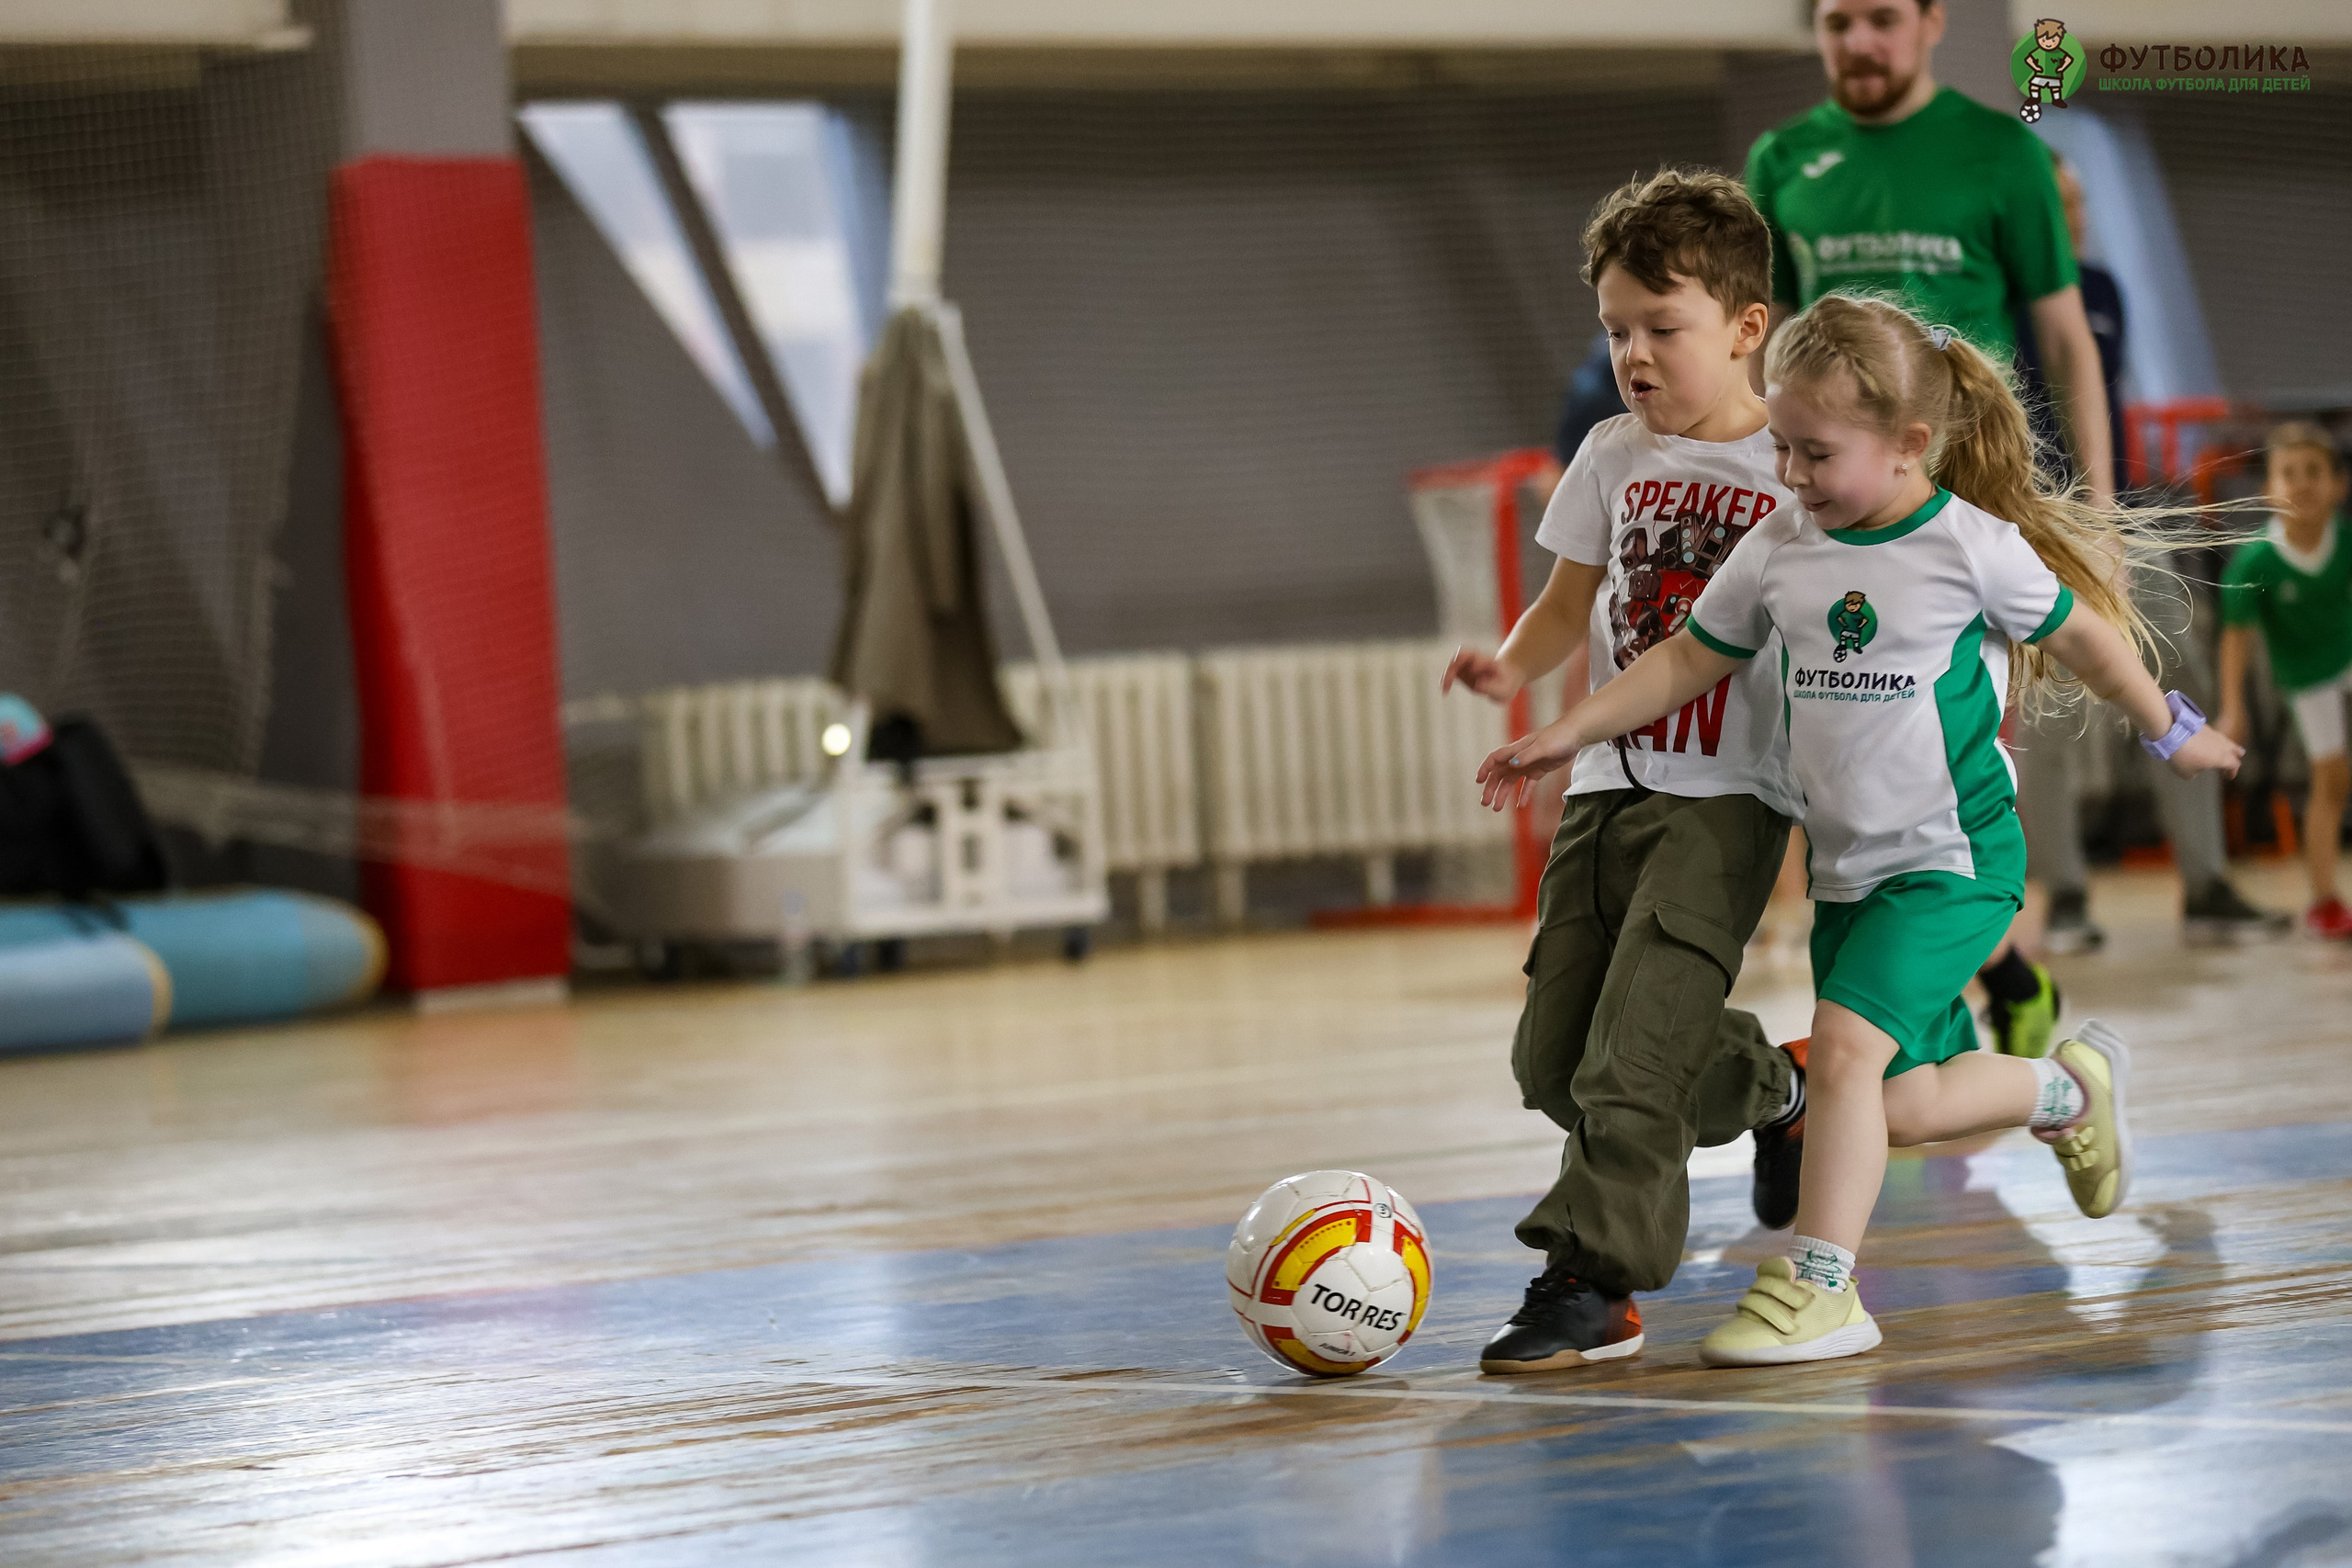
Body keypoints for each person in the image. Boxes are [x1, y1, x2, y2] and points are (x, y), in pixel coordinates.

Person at [1475, 292, 2243, 1365]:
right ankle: (2065, 1089)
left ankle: (1824, 1284)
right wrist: (1566, 731)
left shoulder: (1973, 547)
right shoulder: (1784, 543)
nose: (1786, 474)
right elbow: (1689, 659)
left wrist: (2174, 734)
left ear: (1908, 445)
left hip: (1952, 864)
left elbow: (2090, 645)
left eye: (1813, 452)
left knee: (1838, 1058)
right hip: (1850, 872)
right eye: (1780, 446)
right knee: (1904, 1102)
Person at [1442, 169, 1810, 1374]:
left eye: (1663, 327)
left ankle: (1593, 1280)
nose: (1632, 354)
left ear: (1747, 325)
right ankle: (1771, 1085)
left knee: (1631, 1061)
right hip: (1606, 786)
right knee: (1556, 1061)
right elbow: (1562, 608)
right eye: (1614, 330)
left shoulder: (1795, 469)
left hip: (1727, 802)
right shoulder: (1608, 451)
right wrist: (1509, 672)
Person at [2010, 154, 2284, 960]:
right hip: (2035, 524)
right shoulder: (1996, 296)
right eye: (2060, 205)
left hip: (2122, 516)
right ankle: (2062, 892)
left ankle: (2205, 883)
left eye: (2079, 202)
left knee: (2178, 670)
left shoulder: (2100, 289)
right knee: (2053, 709)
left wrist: (2107, 518)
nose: (2078, 217)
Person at [2218, 423, 2352, 940]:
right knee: (2332, 779)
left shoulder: (2345, 541)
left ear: (2339, 485)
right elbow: (2236, 640)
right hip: (2308, 677)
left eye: (2315, 472)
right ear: (2268, 490)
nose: (2302, 484)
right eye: (2289, 474)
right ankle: (2324, 900)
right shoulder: (2256, 561)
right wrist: (2233, 707)